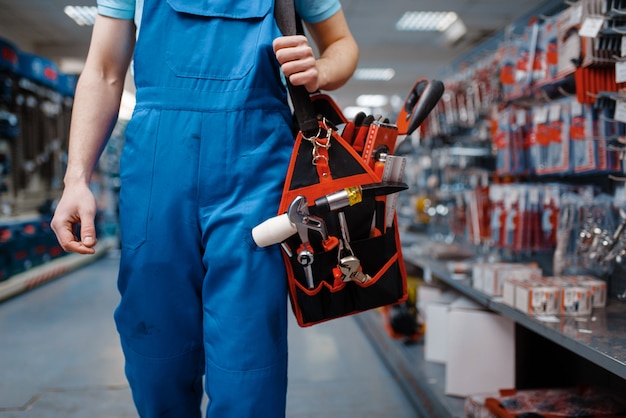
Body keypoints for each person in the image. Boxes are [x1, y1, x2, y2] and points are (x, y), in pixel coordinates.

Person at [50, 0, 358, 417]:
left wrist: (320, 70)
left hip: (256, 171)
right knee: (155, 353)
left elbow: (342, 45)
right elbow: (104, 71)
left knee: (249, 363)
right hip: (159, 171)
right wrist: (76, 179)